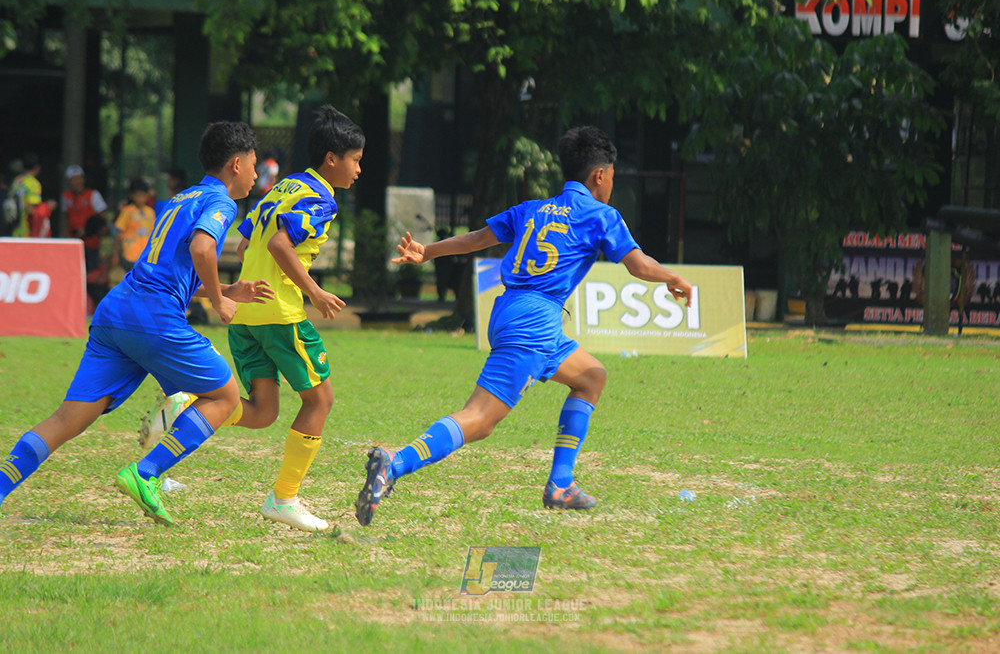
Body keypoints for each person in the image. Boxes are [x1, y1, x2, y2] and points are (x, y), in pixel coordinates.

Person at [354, 126, 694, 526]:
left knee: (591, 377)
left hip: (515, 313)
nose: (612, 185)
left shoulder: (530, 208)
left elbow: (479, 238)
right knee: (479, 418)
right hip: (534, 323)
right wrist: (671, 276)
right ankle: (394, 464)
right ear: (599, 175)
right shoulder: (601, 216)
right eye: (613, 177)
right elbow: (638, 265)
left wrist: (427, 251)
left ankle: (561, 485)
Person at [0, 122, 274, 526]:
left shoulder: (183, 197)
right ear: (237, 164)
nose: (256, 175)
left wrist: (228, 289)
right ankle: (145, 473)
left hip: (115, 313)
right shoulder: (221, 201)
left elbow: (168, 267)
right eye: (253, 166)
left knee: (66, 419)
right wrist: (218, 301)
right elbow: (202, 247)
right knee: (226, 397)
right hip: (153, 317)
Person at [139, 106, 364, 532]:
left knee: (262, 412)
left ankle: (186, 403)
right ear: (332, 159)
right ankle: (284, 498)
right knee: (320, 401)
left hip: (246, 314)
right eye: (355, 159)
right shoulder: (322, 198)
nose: (358, 169)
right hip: (280, 314)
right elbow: (281, 244)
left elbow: (246, 247)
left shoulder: (283, 188)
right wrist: (313, 290)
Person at [112, 178, 156, 272]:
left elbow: (153, 233)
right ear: (132, 195)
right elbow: (119, 232)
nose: (140, 198)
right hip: (129, 255)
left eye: (143, 195)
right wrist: (115, 254)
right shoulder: (127, 211)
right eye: (138, 195)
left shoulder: (150, 212)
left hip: (145, 255)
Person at [8, 153, 56, 238]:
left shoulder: (16, 181)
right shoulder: (33, 184)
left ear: (23, 167)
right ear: (38, 168)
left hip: (14, 230)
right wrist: (47, 207)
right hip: (26, 232)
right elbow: (31, 210)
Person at [62, 165, 109, 245]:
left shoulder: (93, 195)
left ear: (83, 180)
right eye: (73, 179)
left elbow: (102, 219)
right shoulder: (66, 196)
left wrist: (87, 230)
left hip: (91, 243)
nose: (77, 182)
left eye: (79, 178)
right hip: (73, 242)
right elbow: (67, 218)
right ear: (69, 182)